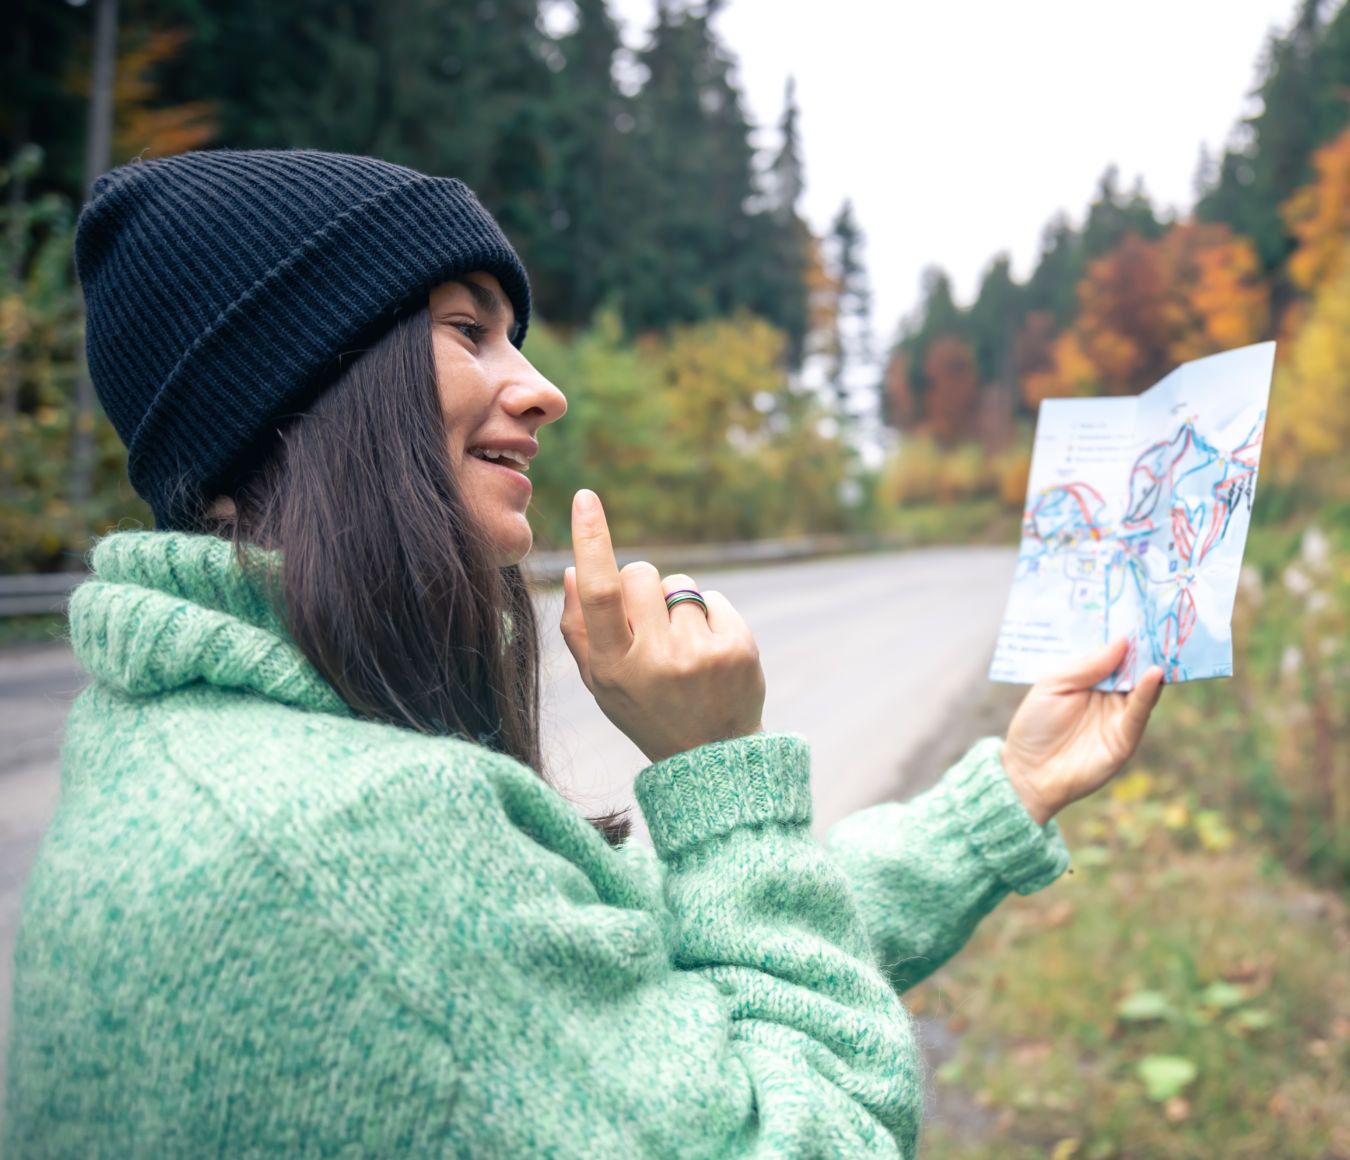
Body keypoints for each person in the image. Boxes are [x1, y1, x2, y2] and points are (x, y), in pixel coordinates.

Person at [3, 149, 1164, 1158]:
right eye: (468, 330)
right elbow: (809, 1131)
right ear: (302, 388)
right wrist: (718, 772)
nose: (542, 387)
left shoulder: (202, 740)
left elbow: (640, 946)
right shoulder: (353, 840)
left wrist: (1006, 793)